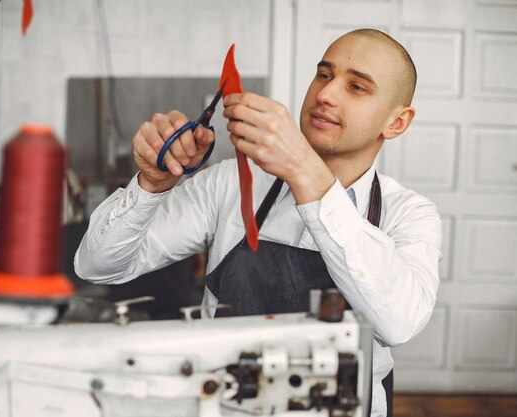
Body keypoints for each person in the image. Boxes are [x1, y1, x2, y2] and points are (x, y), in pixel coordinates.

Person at [74, 28, 442, 417]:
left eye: (356, 87)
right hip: (224, 404)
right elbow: (97, 266)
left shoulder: (410, 214)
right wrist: (150, 185)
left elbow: (397, 323)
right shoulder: (228, 184)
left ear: (397, 123)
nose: (325, 94)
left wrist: (307, 174)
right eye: (324, 74)